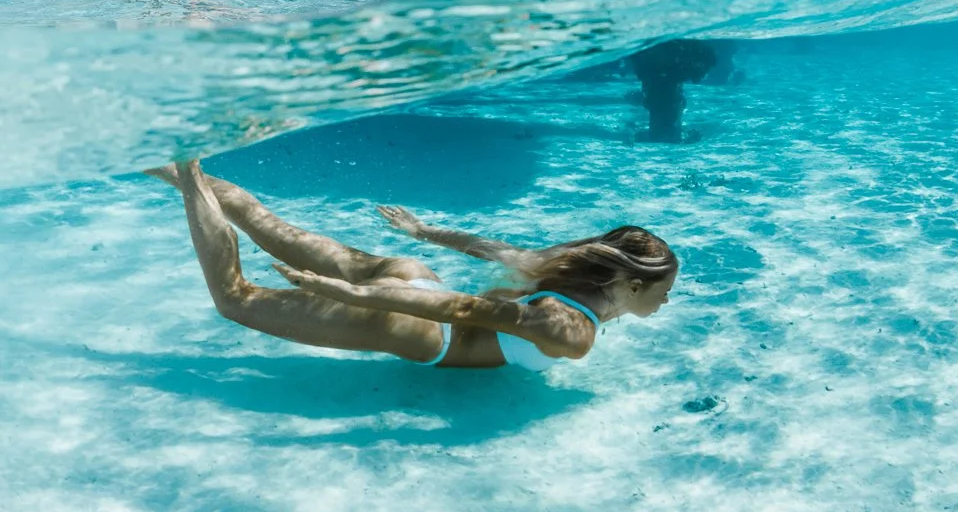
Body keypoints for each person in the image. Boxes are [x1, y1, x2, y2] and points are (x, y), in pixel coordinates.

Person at [149, 161, 677, 370]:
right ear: (630, 284)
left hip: (414, 275)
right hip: (414, 317)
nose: (667, 300)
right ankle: (188, 160)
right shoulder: (574, 331)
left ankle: (159, 161)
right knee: (235, 297)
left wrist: (423, 234)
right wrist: (354, 296)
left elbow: (489, 250)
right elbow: (463, 308)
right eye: (663, 290)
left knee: (263, 220)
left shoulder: (562, 274)